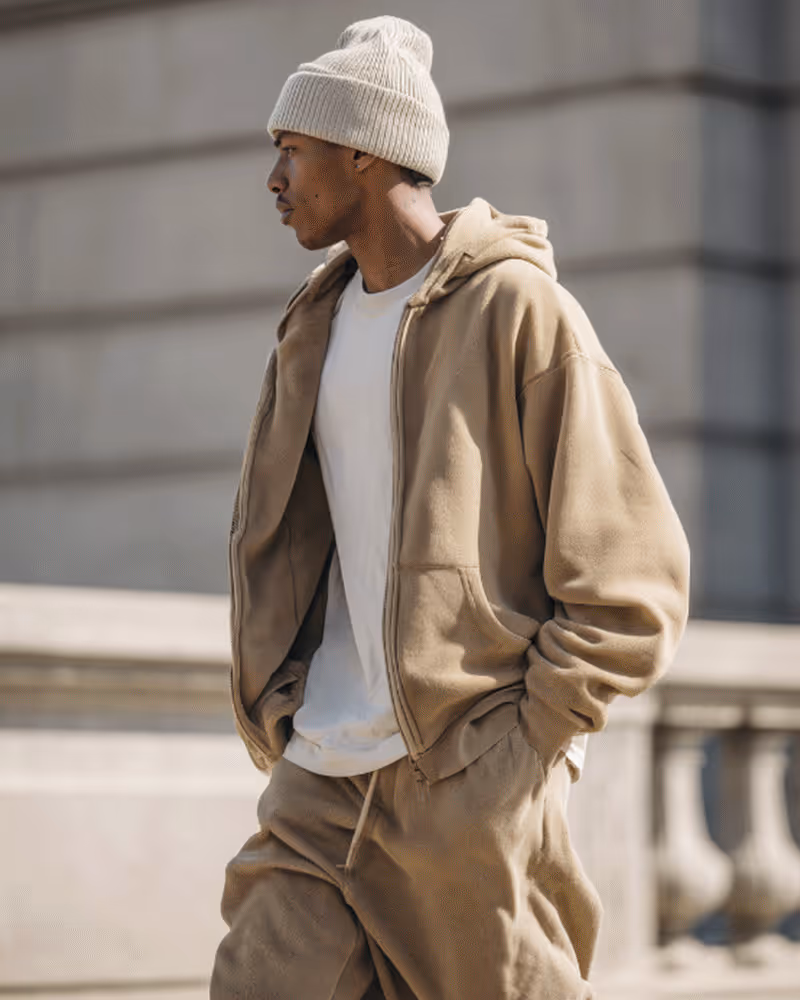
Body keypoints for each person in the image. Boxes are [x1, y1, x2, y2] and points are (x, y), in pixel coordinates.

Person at [211, 15, 691, 1000]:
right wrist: (280, 702)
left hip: (463, 771)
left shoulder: (517, 310)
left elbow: (631, 574)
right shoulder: (311, 325)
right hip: (318, 774)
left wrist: (520, 747)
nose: (273, 179)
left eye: (290, 152)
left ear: (360, 151)